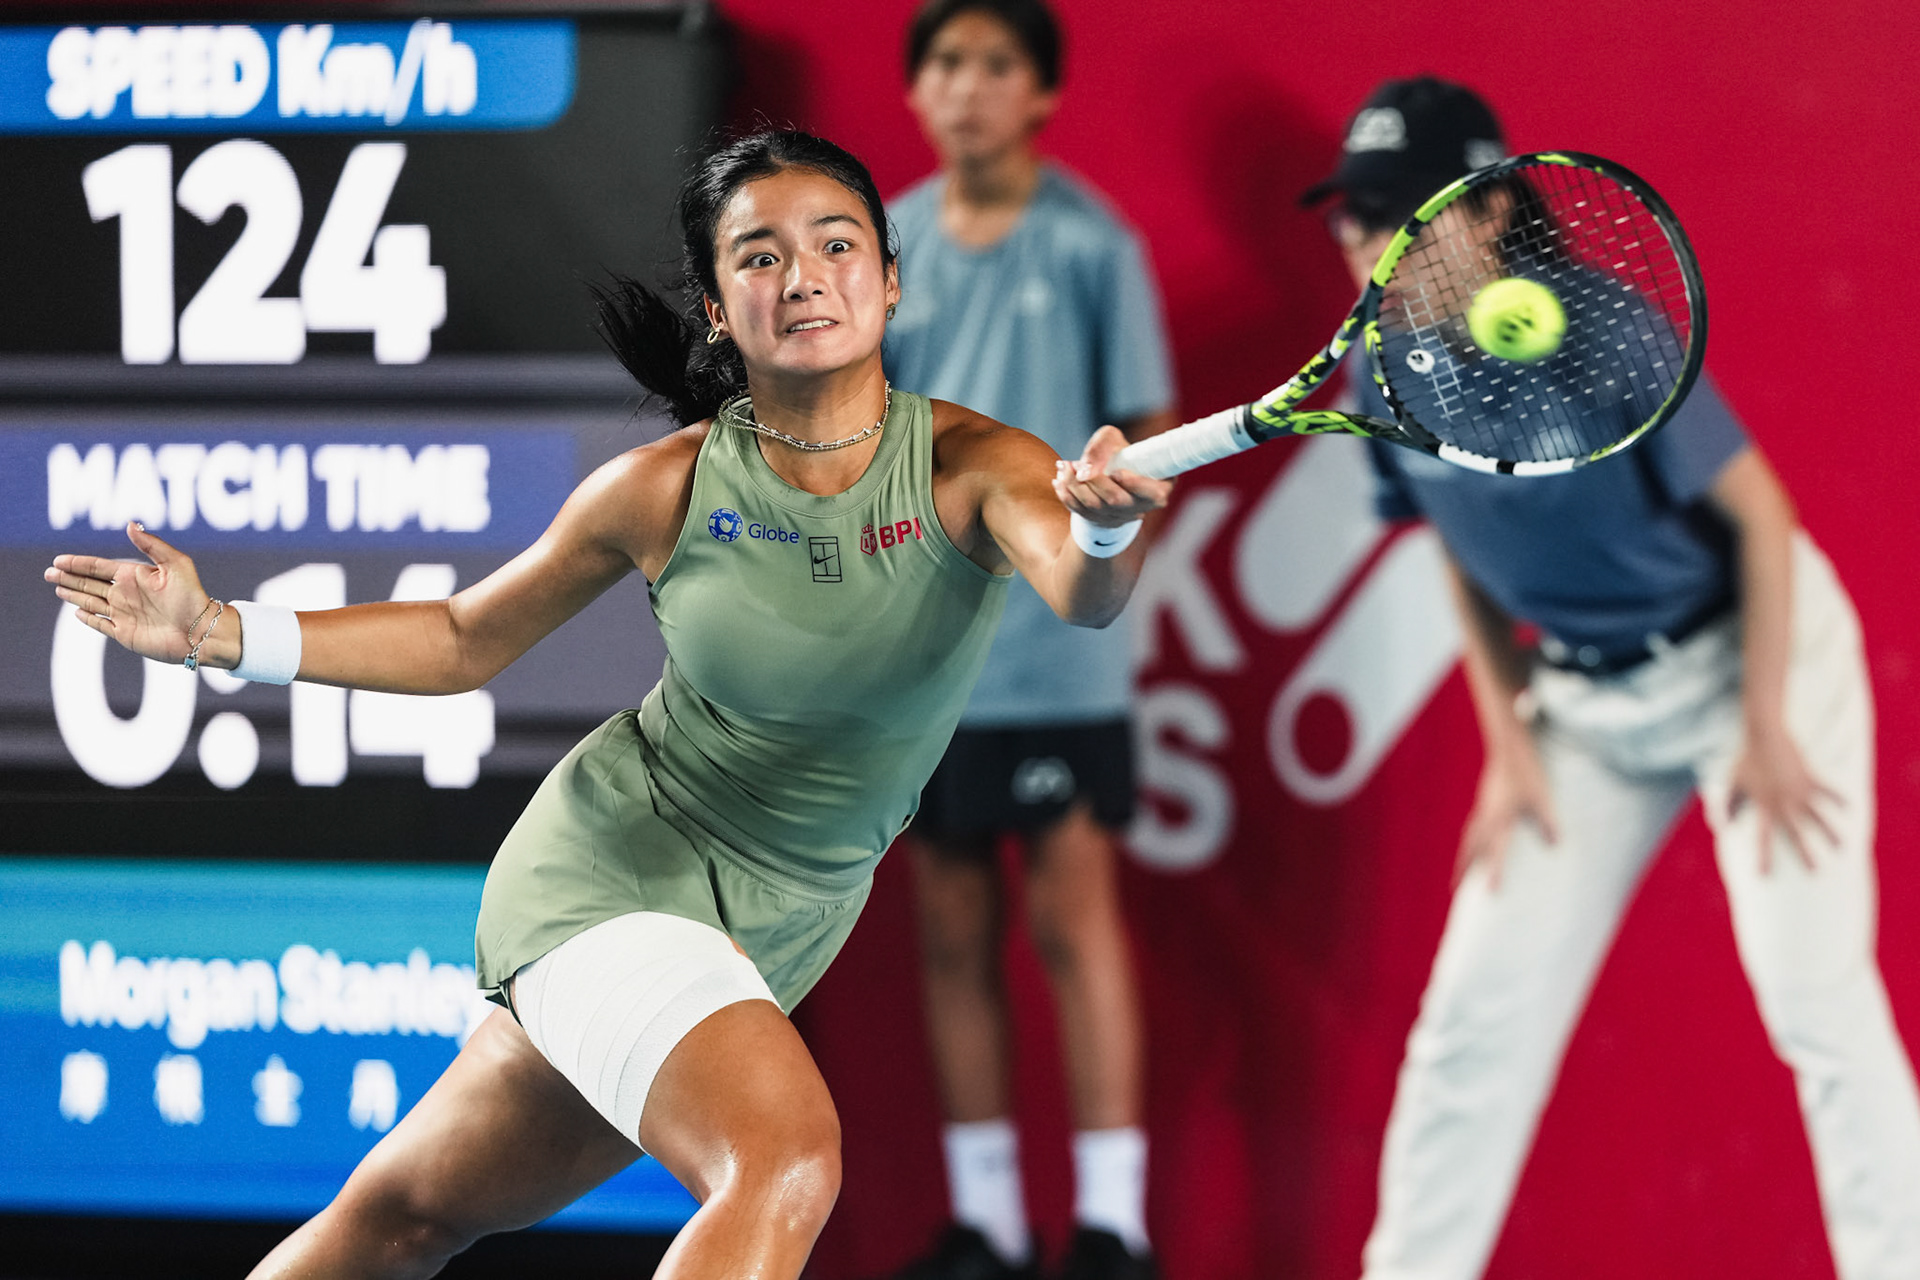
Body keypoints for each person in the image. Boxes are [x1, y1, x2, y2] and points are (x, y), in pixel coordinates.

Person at [42, 129, 1171, 1280]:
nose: (805, 275)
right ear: (720, 309)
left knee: (402, 1218)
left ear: (890, 277)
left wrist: (1105, 522)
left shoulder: (979, 463)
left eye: (838, 244)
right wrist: (218, 631)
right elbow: (462, 636)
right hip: (615, 878)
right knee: (784, 1158)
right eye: (760, 255)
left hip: (777, 924)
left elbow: (1086, 592)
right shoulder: (663, 486)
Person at [1303, 78, 1920, 1280]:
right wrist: (1510, 740)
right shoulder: (1378, 372)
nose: (1373, 249)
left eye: (1404, 217)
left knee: (1813, 990)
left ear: (1487, 217)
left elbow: (1762, 519)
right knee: (1471, 1017)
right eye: (1353, 219)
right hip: (1578, 706)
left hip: (1755, 656)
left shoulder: (1609, 327)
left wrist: (1766, 723)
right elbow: (1461, 555)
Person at [876, 3, 1177, 1278]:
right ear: (916, 90)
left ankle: (1113, 1227)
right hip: (926, 658)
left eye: (996, 65)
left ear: (1042, 95)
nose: (967, 88)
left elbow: (1146, 437)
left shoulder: (1095, 245)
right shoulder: (876, 243)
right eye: (945, 63)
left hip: (1060, 648)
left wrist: (1101, 575)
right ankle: (989, 1226)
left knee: (1070, 919)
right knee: (950, 929)